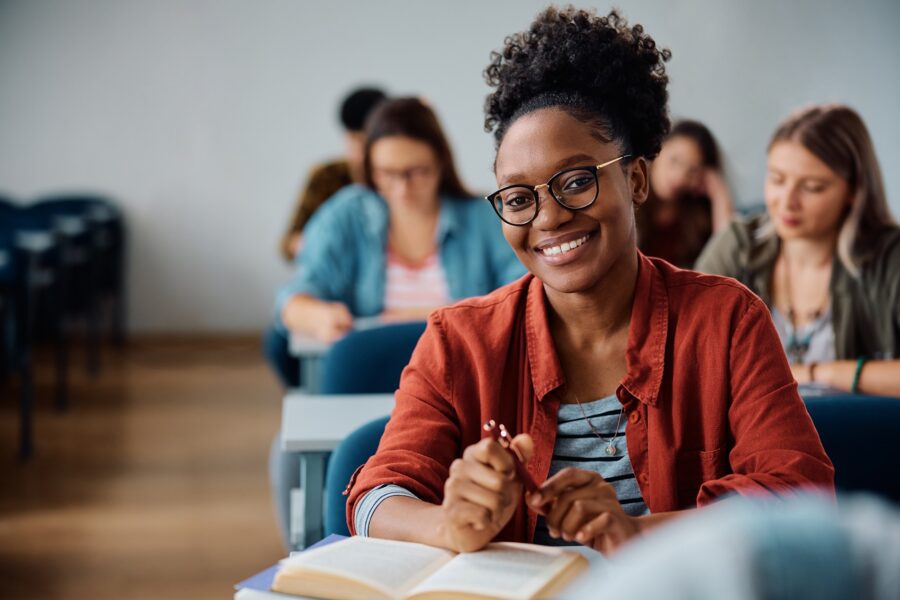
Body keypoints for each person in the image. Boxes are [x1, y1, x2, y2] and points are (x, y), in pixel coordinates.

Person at [345, 7, 834, 556]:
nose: (548, 217)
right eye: (518, 197)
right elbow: (373, 497)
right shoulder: (459, 341)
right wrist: (447, 524)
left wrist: (635, 532)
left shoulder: (727, 320)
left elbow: (801, 493)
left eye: (576, 181)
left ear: (636, 179)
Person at [267, 97, 526, 546]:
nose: (402, 187)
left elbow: (524, 296)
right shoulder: (348, 212)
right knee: (287, 456)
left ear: (441, 163)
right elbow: (294, 296)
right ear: (369, 169)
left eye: (417, 172)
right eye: (387, 174)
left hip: (462, 388)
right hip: (368, 381)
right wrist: (320, 313)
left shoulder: (480, 219)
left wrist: (418, 317)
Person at [696, 104, 900, 397]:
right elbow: (680, 350)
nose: (786, 201)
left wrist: (817, 373)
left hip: (856, 439)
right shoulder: (738, 244)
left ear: (854, 191)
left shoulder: (890, 256)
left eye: (813, 187)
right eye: (777, 179)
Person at [279, 86, 386, 262]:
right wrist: (317, 244)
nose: (360, 152)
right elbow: (287, 244)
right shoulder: (325, 176)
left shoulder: (396, 181)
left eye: (367, 142)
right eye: (353, 140)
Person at [637, 120, 733, 267]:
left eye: (692, 170)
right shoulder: (629, 200)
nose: (679, 177)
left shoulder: (696, 221)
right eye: (674, 160)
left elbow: (728, 261)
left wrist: (719, 195)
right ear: (657, 149)